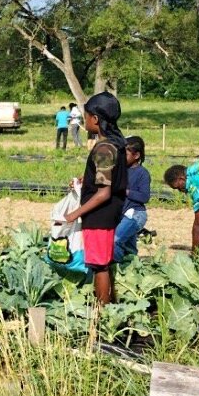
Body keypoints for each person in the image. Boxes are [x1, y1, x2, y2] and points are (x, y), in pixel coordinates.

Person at [62, 92, 127, 305]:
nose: (85, 119)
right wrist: (86, 179)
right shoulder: (115, 144)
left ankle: (103, 314)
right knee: (104, 264)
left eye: (87, 116)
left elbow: (103, 192)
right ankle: (110, 306)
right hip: (110, 213)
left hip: (99, 215)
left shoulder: (104, 148)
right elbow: (107, 177)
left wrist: (74, 214)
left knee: (99, 266)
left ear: (96, 120)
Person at [114, 136, 150, 262]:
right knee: (129, 249)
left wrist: (125, 191)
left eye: (125, 154)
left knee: (115, 240)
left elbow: (145, 196)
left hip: (135, 214)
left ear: (136, 156)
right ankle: (131, 268)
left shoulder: (142, 173)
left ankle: (115, 267)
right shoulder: (119, 170)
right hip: (122, 215)